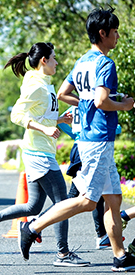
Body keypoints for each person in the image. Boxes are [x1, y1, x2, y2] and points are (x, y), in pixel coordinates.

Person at [17, 7, 135, 272]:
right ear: (102, 33)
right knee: (87, 201)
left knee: (114, 199)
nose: (117, 36)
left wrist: (88, 103)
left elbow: (63, 93)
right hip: (97, 140)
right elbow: (103, 100)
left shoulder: (82, 62)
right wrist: (125, 105)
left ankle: (120, 256)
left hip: (91, 139)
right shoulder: (105, 63)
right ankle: (32, 226)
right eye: (114, 32)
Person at [0, 42, 89, 267]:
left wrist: (59, 120)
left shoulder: (45, 84)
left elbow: (40, 114)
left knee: (33, 207)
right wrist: (44, 129)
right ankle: (62, 254)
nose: (56, 62)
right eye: (53, 58)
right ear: (43, 60)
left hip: (40, 151)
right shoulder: (35, 85)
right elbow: (16, 114)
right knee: (63, 202)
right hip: (38, 153)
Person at [59, 106, 123, 249]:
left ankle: (102, 236)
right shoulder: (96, 103)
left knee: (94, 195)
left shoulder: (75, 105)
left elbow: (61, 121)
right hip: (90, 148)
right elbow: (114, 129)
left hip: (79, 147)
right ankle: (36, 224)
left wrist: (74, 134)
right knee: (77, 195)